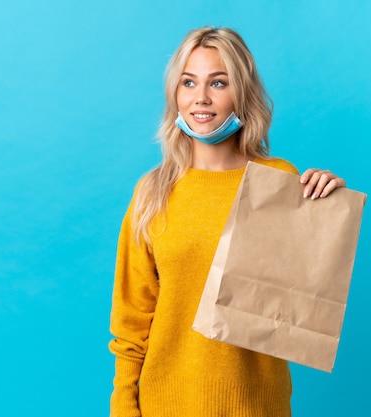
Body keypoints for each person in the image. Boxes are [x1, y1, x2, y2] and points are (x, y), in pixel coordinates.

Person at [109, 26, 346, 417]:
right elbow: (131, 321)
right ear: (175, 94)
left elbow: (304, 298)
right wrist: (123, 407)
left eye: (218, 83)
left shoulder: (280, 182)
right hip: (165, 404)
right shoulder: (152, 192)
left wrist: (328, 209)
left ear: (242, 93)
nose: (201, 98)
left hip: (258, 405)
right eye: (189, 82)